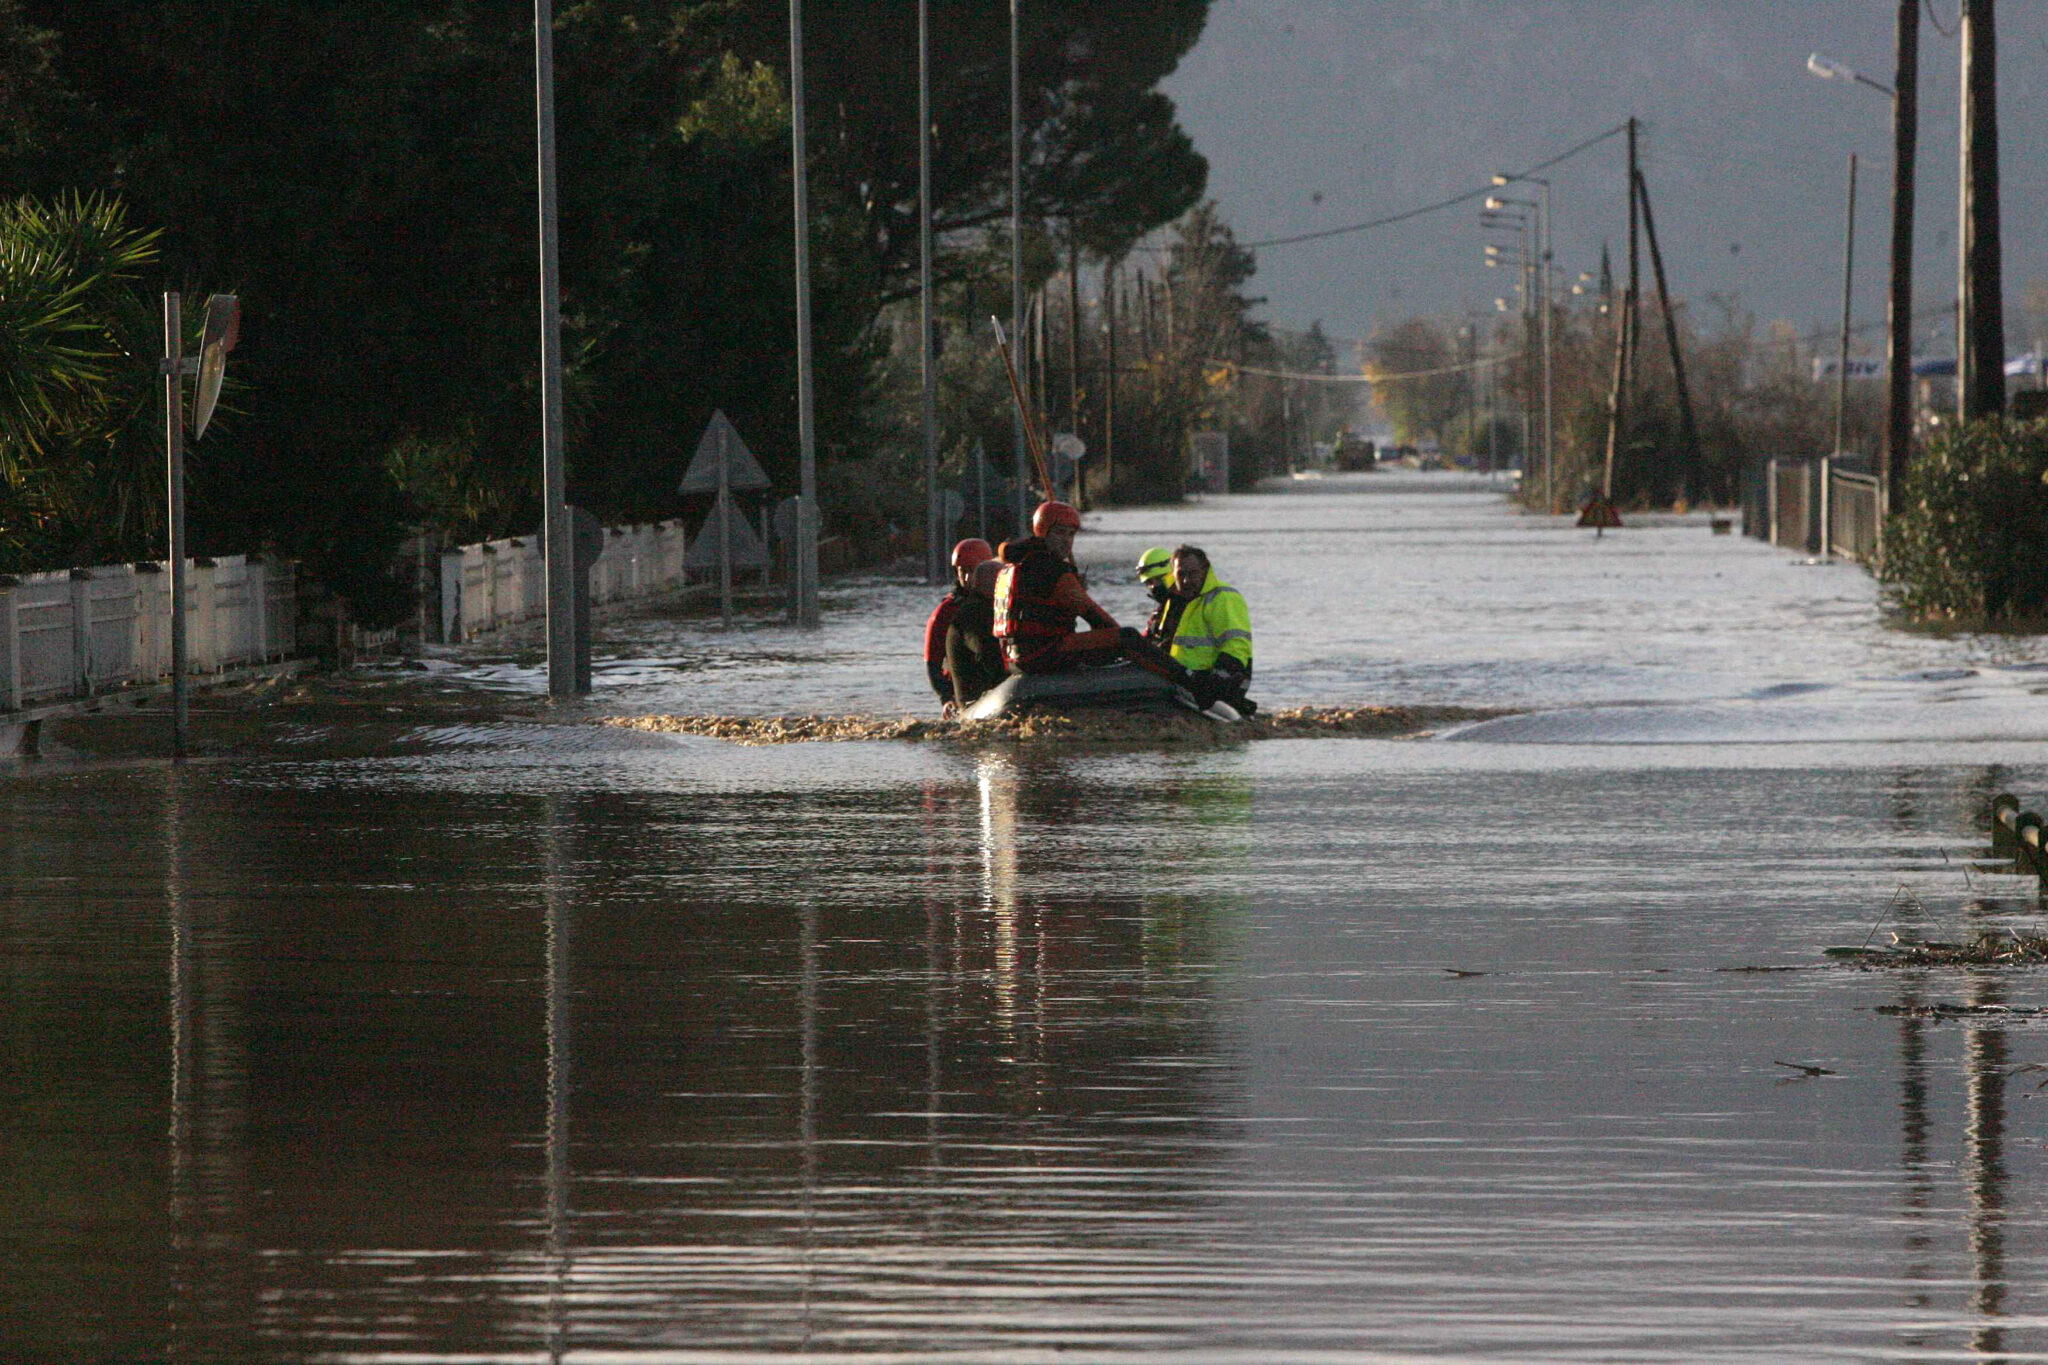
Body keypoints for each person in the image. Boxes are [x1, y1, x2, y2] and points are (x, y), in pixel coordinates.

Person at [992, 502, 1182, 680]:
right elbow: (1101, 621)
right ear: (1043, 532)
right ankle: (1190, 680)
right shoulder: (1054, 571)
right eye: (1059, 533)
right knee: (1127, 636)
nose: (1066, 542)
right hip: (1043, 657)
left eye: (1071, 535)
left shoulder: (1011, 567)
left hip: (1013, 660)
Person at [1159, 544, 1255, 713]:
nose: (1187, 580)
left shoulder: (1222, 597)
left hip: (1212, 683)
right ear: (1173, 574)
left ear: (1205, 570)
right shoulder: (1173, 602)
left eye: (1193, 573)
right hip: (1181, 680)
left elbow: (1237, 647)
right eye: (1181, 574)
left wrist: (1215, 684)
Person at [923, 538, 1005, 712]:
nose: (967, 578)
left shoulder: (1002, 604)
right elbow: (933, 663)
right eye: (962, 571)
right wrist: (946, 698)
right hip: (964, 688)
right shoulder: (948, 612)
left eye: (972, 570)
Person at [1134, 545, 1185, 644]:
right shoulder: (1162, 609)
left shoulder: (1190, 605)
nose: (1154, 586)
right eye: (1149, 582)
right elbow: (1146, 639)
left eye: (1159, 578)